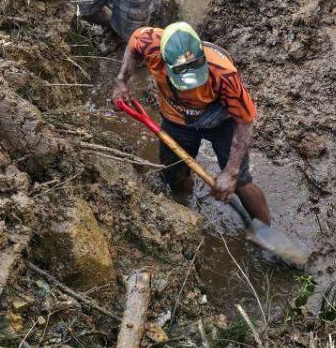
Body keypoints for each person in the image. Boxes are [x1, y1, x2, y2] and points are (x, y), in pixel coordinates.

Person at [113, 22, 272, 224]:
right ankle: (185, 211)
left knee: (241, 182)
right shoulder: (149, 43)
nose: (190, 89)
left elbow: (244, 122)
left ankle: (266, 230)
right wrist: (122, 81)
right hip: (176, 119)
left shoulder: (224, 73)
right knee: (173, 175)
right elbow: (134, 41)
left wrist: (230, 172)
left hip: (221, 122)